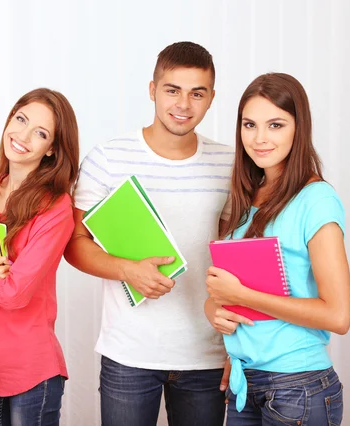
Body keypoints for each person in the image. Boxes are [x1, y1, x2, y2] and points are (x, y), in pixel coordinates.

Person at [64, 41, 233, 426]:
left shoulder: (230, 162)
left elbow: (233, 254)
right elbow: (75, 245)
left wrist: (236, 348)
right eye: (172, 90)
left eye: (197, 93)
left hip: (206, 355)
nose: (183, 104)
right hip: (129, 355)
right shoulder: (108, 157)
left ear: (211, 98)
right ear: (152, 89)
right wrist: (127, 270)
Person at [204, 72, 350, 425]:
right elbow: (235, 292)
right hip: (245, 385)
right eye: (249, 125)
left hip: (297, 389)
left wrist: (243, 294)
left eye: (275, 125)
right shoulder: (248, 197)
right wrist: (215, 307)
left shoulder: (316, 200)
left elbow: (338, 315)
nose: (259, 139)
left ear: (299, 129)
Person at [0, 88, 79, 426]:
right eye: (20, 119)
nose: (22, 136)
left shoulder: (55, 207)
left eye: (40, 133)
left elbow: (13, 294)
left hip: (31, 371)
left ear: (52, 149)